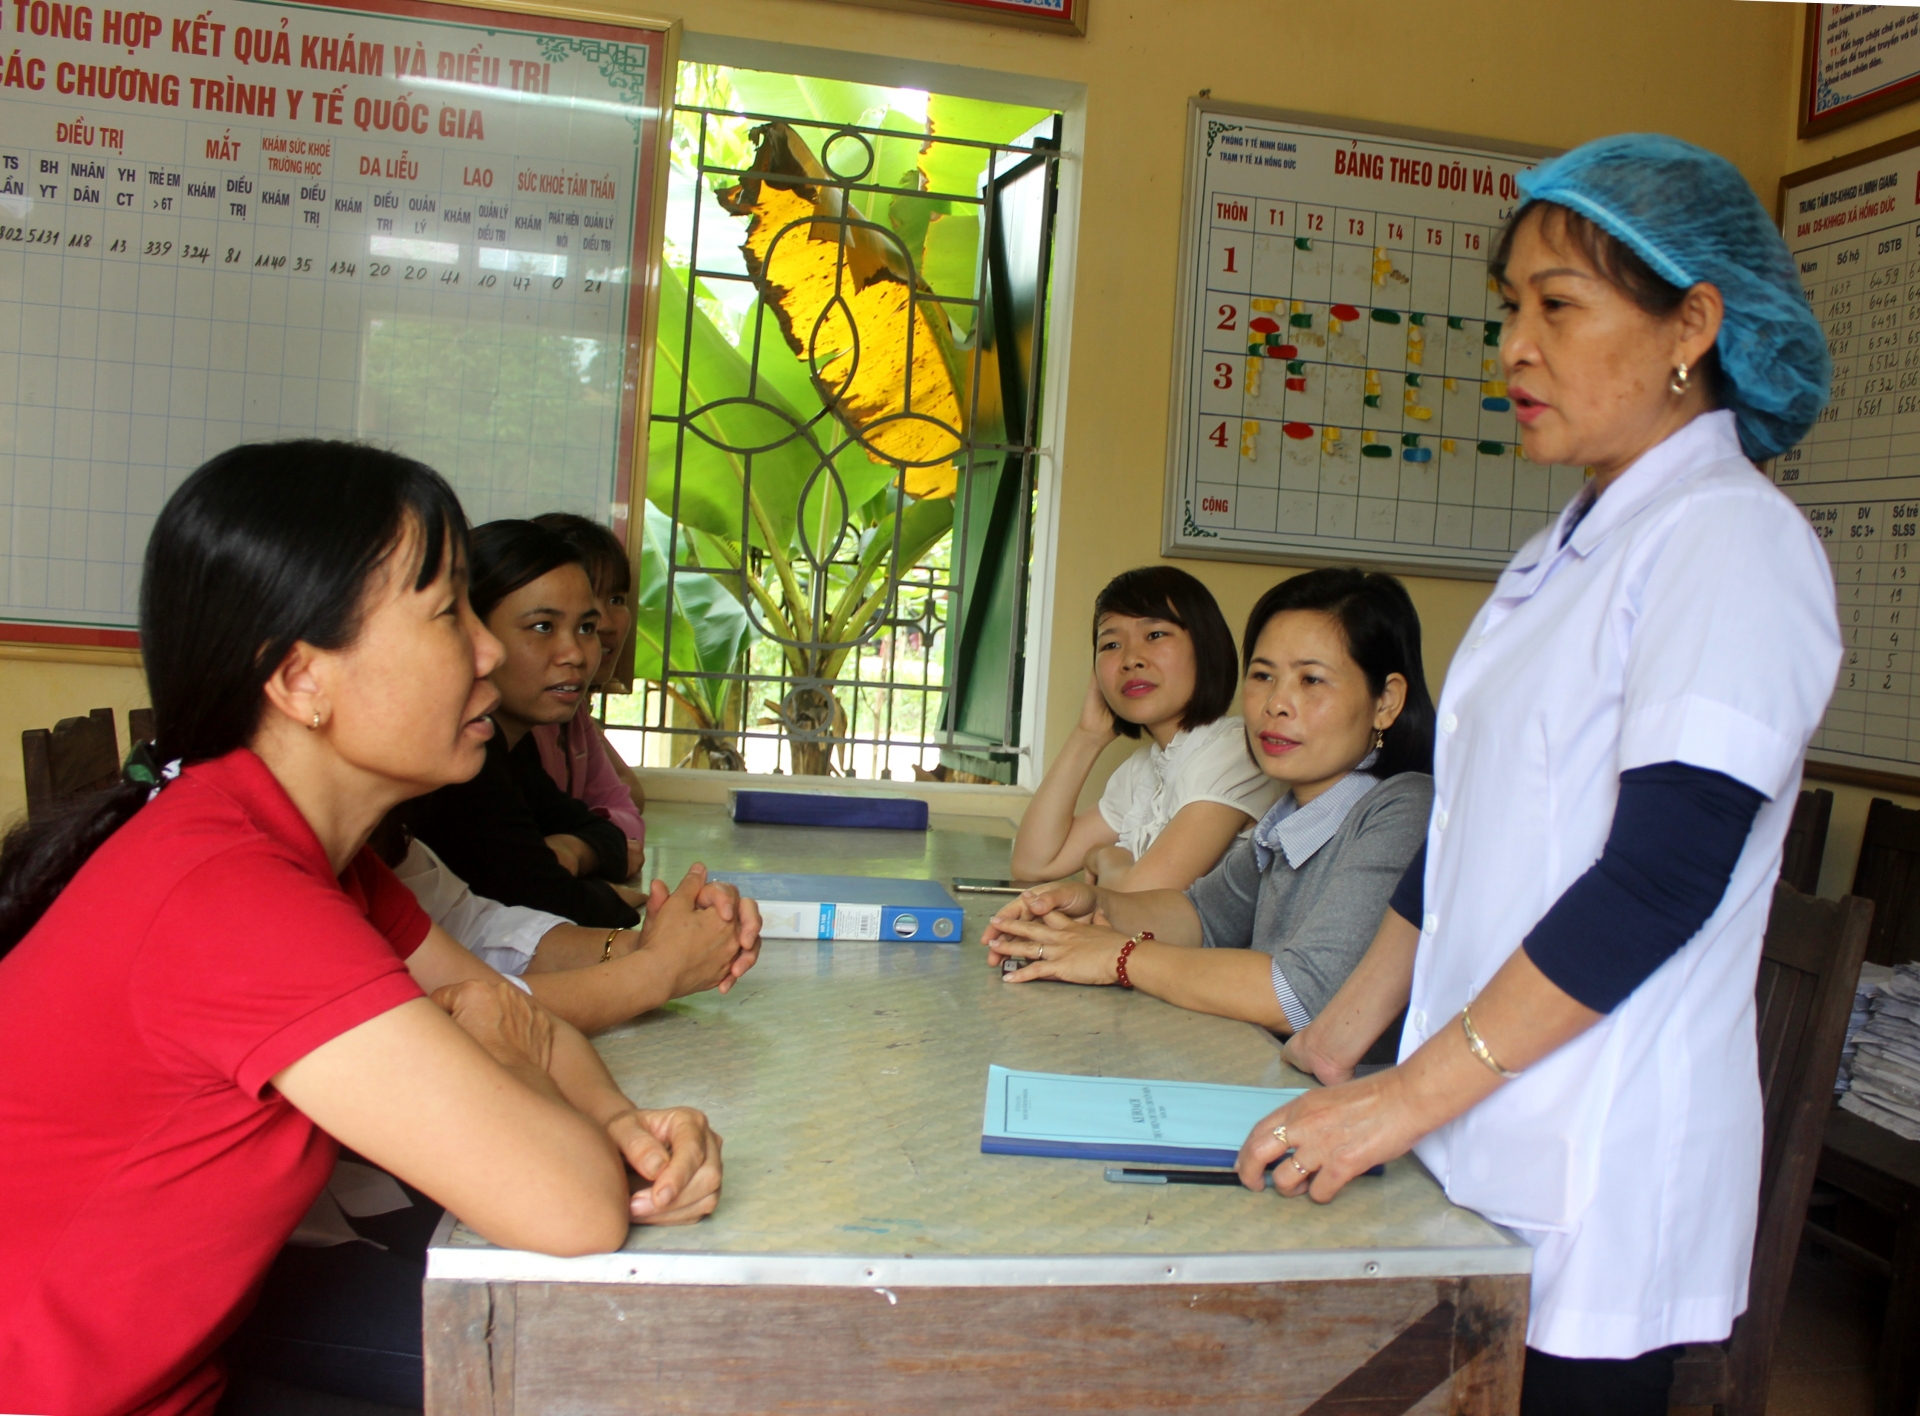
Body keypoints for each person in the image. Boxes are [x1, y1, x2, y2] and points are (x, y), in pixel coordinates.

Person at [1231, 135, 1839, 1416]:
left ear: (1694, 324)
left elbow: (1658, 881)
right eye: (1511, 307)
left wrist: (1403, 1095)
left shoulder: (1729, 543)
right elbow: (1460, 847)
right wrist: (1333, 1047)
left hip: (1593, 1166)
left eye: (1557, 306)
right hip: (1473, 1129)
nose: (1513, 343)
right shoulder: (1559, 552)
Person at [0, 441, 727, 1416]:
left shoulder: (315, 854)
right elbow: (572, 1206)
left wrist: (621, 1128)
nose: (489, 651)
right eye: (446, 614)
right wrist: (548, 1096)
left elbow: (522, 1019)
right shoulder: (234, 895)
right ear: (302, 679)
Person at [985, 569, 1433, 1034]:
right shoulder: (1287, 821)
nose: (1275, 704)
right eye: (1263, 676)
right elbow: (1200, 916)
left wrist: (1119, 956)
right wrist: (1094, 900)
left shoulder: (1403, 808)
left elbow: (1297, 995)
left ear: (1386, 701)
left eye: (1312, 680)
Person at [412, 520, 642, 929]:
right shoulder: (463, 763)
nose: (574, 653)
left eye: (586, 628)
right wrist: (605, 897)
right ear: (471, 632)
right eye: (542, 627)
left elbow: (609, 837)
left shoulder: (512, 747)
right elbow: (548, 899)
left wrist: (574, 850)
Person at [1010, 566, 1282, 892]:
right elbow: (1033, 864)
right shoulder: (1143, 770)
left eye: (1155, 635)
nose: (1130, 659)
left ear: (1206, 646)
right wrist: (1087, 735)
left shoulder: (1235, 750)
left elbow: (1138, 898)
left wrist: (1107, 858)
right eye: (1110, 645)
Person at [386, 828, 758, 1035]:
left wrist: (649, 944)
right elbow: (435, 1022)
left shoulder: (381, 849)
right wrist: (657, 970)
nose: (485, 684)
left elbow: (470, 928)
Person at [531, 511, 648, 841]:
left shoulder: (572, 710)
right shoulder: (518, 718)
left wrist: (581, 845)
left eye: (616, 599)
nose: (606, 624)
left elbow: (630, 803)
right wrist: (591, 843)